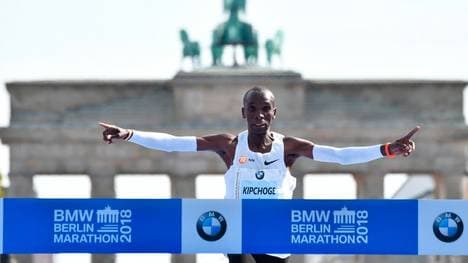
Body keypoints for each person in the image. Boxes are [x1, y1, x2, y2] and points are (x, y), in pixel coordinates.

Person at [100, 86, 419, 263]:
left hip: (277, 239)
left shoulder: (289, 148)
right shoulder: (228, 145)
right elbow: (173, 144)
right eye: (252, 109)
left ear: (274, 113)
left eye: (265, 109)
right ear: (243, 113)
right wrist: (129, 133)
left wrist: (387, 149)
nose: (259, 115)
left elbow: (338, 156)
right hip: (236, 233)